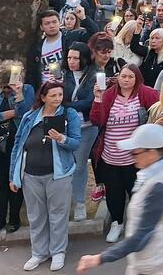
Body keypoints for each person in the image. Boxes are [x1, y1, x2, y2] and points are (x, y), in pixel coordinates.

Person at [76, 124, 163, 275]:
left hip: (155, 264)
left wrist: (99, 258)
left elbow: (142, 236)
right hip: (156, 259)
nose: (131, 155)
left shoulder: (159, 185)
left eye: (135, 152)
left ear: (151, 152)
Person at [9, 80, 82, 272]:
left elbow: (76, 143)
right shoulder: (30, 116)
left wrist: (61, 138)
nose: (58, 99)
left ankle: (58, 251)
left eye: (60, 95)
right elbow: (18, 145)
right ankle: (39, 253)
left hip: (59, 173)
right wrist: (13, 175)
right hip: (31, 174)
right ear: (43, 97)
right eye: (53, 96)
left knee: (58, 213)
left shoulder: (69, 114)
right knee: (36, 215)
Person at [90, 64, 159, 243]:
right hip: (110, 156)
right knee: (114, 194)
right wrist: (98, 98)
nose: (126, 80)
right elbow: (96, 120)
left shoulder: (146, 94)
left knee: (137, 194)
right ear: (118, 78)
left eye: (130, 77)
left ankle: (137, 225)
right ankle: (117, 223)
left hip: (135, 159)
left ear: (136, 79)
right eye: (123, 76)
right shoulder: (109, 95)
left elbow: (158, 111)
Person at [0, 60, 34, 235]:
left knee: (15, 182)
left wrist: (18, 95)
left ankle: (14, 218)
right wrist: (9, 114)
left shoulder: (27, 90)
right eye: (5, 87)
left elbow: (28, 113)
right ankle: (0, 219)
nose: (8, 89)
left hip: (17, 142)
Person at [62, 42, 97, 221]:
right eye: (69, 57)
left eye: (76, 58)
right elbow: (57, 96)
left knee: (81, 164)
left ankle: (80, 202)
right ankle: (64, 201)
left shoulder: (93, 75)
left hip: (87, 126)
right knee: (64, 164)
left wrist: (67, 104)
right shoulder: (64, 75)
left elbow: (90, 101)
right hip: (66, 126)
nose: (72, 61)